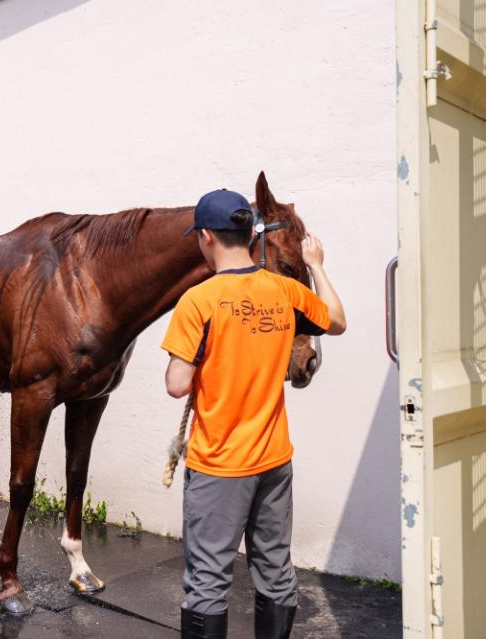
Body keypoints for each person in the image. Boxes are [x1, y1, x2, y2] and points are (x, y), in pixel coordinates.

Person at [161, 189, 346, 639]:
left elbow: (176, 384)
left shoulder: (198, 302)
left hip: (221, 467)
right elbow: (336, 321)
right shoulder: (284, 290)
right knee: (276, 573)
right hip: (274, 461)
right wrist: (316, 264)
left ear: (206, 237)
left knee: (208, 582)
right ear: (249, 234)